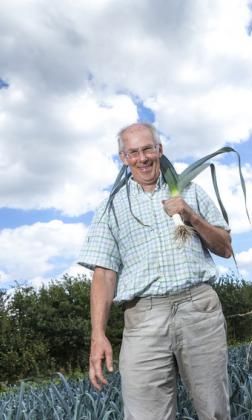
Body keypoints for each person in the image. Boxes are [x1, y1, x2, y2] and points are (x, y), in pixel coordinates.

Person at [78, 122, 232, 420]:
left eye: (148, 148)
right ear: (123, 158)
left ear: (160, 149)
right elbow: (104, 273)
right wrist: (98, 334)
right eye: (133, 152)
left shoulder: (190, 191)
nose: (143, 158)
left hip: (198, 308)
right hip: (143, 318)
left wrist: (190, 216)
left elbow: (225, 248)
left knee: (215, 413)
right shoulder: (111, 207)